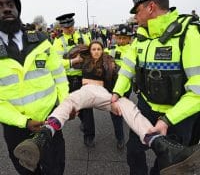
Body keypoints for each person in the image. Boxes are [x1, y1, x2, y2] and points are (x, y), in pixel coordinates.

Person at [14, 41, 200, 175]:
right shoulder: (83, 58)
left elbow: (124, 73)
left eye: (98, 49)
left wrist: (119, 94)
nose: (95, 51)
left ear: (103, 50)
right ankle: (43, 135)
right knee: (68, 102)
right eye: (93, 48)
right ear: (89, 49)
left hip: (103, 95)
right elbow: (59, 61)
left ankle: (159, 142)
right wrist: (74, 57)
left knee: (127, 106)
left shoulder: (109, 61)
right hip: (85, 92)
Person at [111, 0, 200, 175]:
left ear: (150, 7)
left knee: (168, 165)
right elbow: (127, 68)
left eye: (137, 10)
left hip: (178, 115)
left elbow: (198, 90)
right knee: (134, 152)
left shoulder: (189, 34)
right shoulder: (141, 37)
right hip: (146, 108)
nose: (135, 16)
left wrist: (167, 120)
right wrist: (117, 93)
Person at [0, 0, 69, 175]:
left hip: (51, 121)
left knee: (56, 167)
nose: (6, 8)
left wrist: (64, 107)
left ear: (18, 10)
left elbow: (60, 77)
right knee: (27, 170)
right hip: (16, 128)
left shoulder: (41, 40)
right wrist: (24, 121)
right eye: (0, 6)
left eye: (10, 4)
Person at [53, 13, 95, 147]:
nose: (69, 29)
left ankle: (89, 136)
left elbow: (93, 52)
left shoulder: (84, 36)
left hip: (85, 77)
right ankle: (83, 122)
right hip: (69, 79)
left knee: (87, 107)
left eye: (71, 26)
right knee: (76, 107)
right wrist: (72, 62)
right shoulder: (58, 41)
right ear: (61, 27)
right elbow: (56, 62)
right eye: (66, 27)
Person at [105, 24, 135, 149]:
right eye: (119, 38)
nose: (121, 41)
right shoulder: (111, 50)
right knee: (116, 113)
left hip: (126, 87)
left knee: (123, 108)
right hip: (112, 87)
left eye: (124, 38)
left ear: (130, 39)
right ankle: (120, 138)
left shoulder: (134, 50)